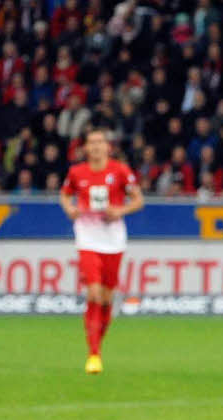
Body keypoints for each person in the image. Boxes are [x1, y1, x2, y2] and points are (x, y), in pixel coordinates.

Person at [59, 126, 143, 374]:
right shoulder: (76, 172)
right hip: (87, 239)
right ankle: (93, 353)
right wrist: (70, 208)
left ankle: (98, 345)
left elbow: (138, 200)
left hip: (113, 240)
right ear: (85, 148)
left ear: (108, 146)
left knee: (106, 298)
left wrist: (120, 211)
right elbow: (64, 196)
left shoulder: (119, 170)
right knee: (93, 293)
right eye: (91, 143)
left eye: (100, 142)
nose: (95, 147)